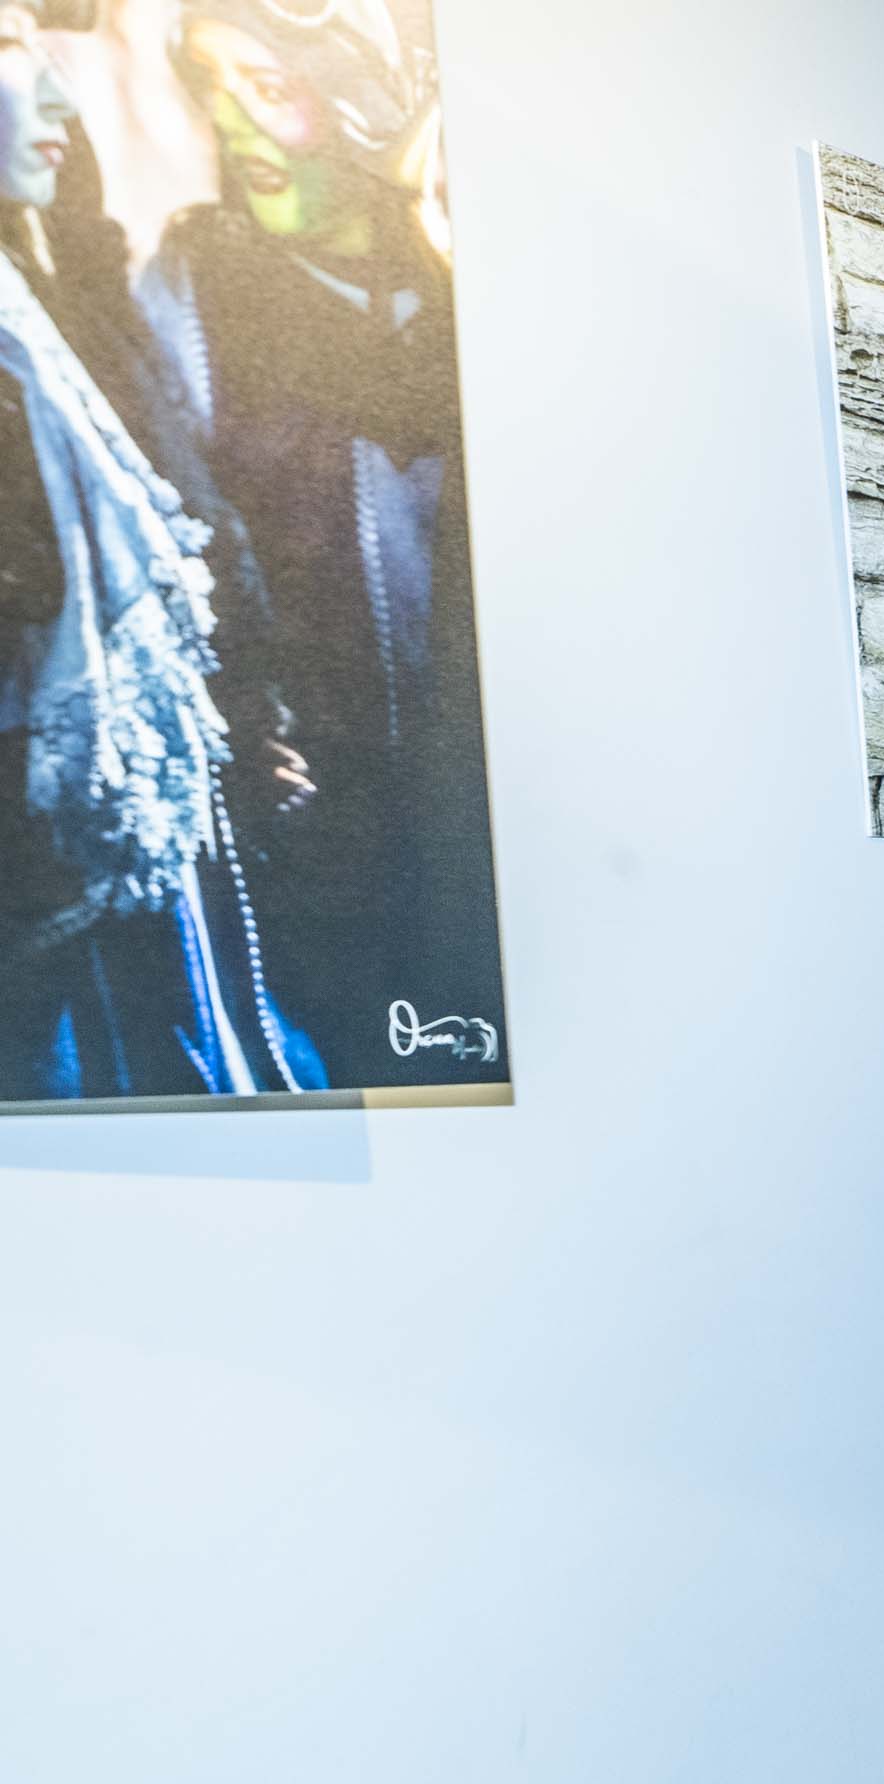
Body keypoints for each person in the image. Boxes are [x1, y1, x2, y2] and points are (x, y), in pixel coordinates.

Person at [137, 0, 492, 1088]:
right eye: (213, 86)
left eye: (269, 86)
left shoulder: (474, 274)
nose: (234, 122)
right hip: (319, 832)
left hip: (491, 812)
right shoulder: (192, 292)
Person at [0, 0, 311, 1100]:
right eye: (9, 48)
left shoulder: (44, 303)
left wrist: (240, 715)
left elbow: (165, 489)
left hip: (138, 880)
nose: (55, 92)